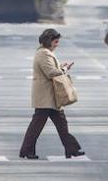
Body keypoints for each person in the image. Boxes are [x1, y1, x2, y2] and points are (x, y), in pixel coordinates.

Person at [19, 28, 85, 160]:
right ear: (49, 41)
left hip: (50, 97)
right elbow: (50, 72)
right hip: (46, 97)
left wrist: (60, 67)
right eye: (55, 42)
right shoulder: (44, 54)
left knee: (60, 124)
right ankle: (27, 150)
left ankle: (71, 149)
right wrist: (64, 69)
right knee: (37, 126)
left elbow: (50, 69)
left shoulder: (44, 53)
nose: (57, 44)